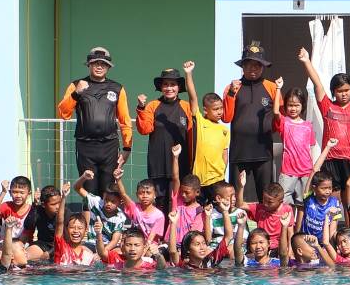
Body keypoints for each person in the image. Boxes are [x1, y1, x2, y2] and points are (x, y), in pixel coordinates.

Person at [298, 48, 350, 211]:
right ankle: (332, 224)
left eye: (346, 90)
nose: (343, 94)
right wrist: (306, 61)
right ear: (333, 92)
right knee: (332, 195)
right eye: (339, 91)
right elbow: (317, 84)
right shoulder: (327, 106)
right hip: (331, 159)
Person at [56, 46, 131, 195]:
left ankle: (107, 212)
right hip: (85, 146)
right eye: (95, 63)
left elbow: (124, 120)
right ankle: (89, 212)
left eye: (103, 64)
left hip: (110, 146)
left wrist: (127, 148)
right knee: (89, 191)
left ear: (108, 67)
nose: (99, 66)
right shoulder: (76, 85)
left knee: (109, 191)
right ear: (89, 65)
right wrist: (76, 93)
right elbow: (63, 114)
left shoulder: (117, 88)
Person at [135, 68, 193, 197]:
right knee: (159, 203)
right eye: (165, 84)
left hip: (181, 165)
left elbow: (192, 136)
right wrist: (141, 108)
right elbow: (144, 129)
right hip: (158, 166)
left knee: (177, 202)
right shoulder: (152, 105)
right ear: (161, 87)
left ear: (179, 87)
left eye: (173, 84)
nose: (169, 88)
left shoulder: (186, 106)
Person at [182, 61, 230, 192]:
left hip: (218, 180)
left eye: (221, 108)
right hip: (199, 181)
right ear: (205, 110)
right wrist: (188, 73)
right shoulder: (200, 121)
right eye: (215, 109)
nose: (219, 112)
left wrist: (222, 172)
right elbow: (193, 97)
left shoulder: (224, 130)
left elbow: (224, 154)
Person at [272, 81, 317, 204]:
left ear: (302, 106)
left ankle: (300, 219)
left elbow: (311, 148)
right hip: (288, 171)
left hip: (306, 171)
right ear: (285, 106)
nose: (293, 108)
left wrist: (314, 170)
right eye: (290, 105)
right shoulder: (284, 122)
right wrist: (278, 88)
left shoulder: (308, 126)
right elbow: (275, 112)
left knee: (304, 203)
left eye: (297, 105)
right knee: (285, 202)